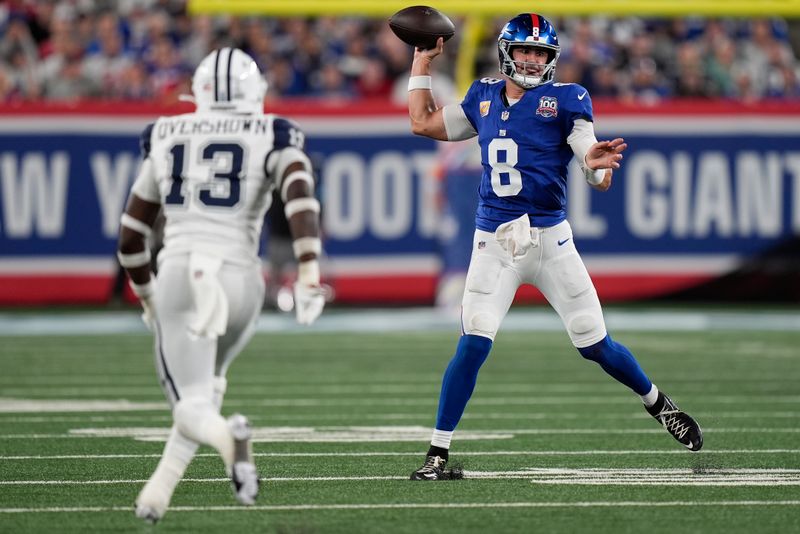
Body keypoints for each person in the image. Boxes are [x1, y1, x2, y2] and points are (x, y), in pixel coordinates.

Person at [405, 14, 703, 481]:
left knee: (595, 343)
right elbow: (422, 123)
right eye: (524, 50)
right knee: (473, 341)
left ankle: (658, 404)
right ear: (507, 51)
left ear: (551, 59)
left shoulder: (567, 98)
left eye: (540, 53)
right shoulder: (482, 96)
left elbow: (586, 147)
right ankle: (437, 454)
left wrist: (594, 163)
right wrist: (420, 63)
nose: (531, 59)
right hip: (495, 241)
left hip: (551, 240)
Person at [117, 47, 325, 520]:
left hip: (183, 275)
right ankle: (158, 493)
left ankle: (231, 443)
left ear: (200, 92)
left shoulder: (166, 133)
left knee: (189, 403)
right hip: (241, 284)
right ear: (256, 92)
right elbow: (298, 186)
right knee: (205, 388)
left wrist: (148, 296)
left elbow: (131, 238)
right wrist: (309, 267)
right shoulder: (273, 130)